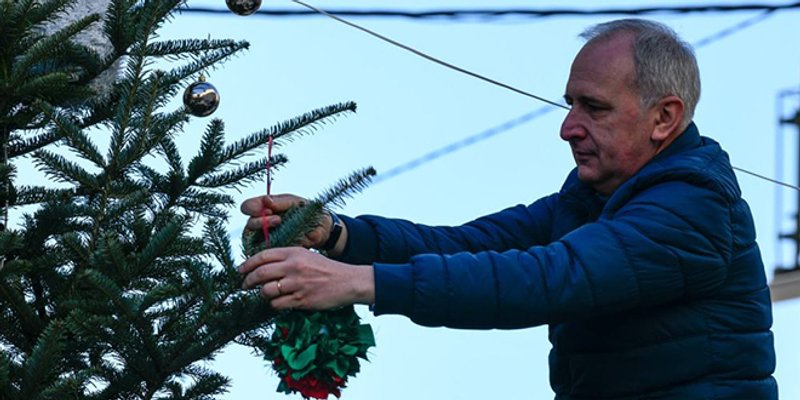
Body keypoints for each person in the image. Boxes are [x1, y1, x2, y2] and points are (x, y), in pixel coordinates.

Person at [238, 18, 777, 399]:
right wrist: (336, 236)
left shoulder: (695, 206)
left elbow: (549, 278)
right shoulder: (592, 201)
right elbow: (470, 245)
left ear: (664, 118)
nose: (568, 128)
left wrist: (357, 282)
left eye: (594, 107)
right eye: (570, 105)